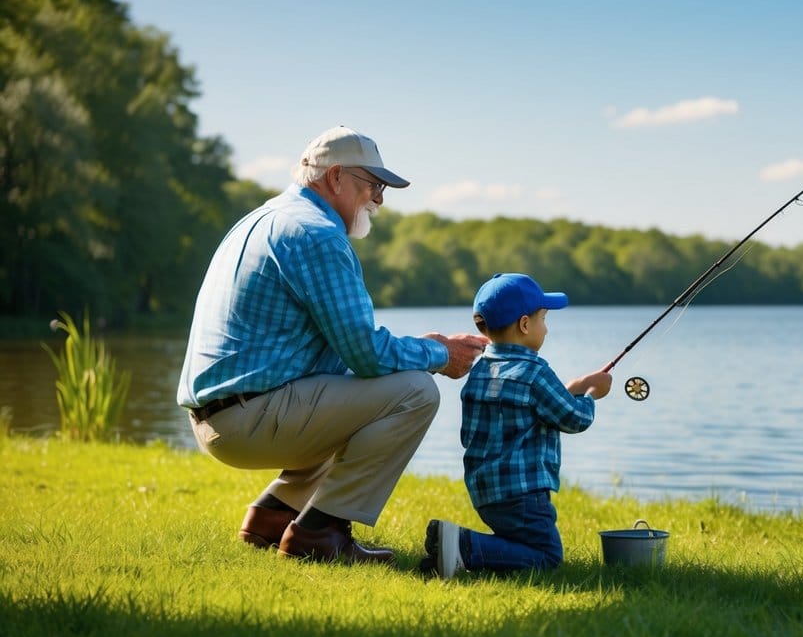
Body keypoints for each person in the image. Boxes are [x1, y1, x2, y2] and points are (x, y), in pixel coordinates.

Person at [178, 125, 487, 565]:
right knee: (415, 391)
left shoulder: (265, 217)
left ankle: (271, 518)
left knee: (372, 386)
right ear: (336, 177)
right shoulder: (317, 235)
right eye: (373, 185)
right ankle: (320, 533)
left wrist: (422, 347)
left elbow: (356, 355)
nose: (379, 199)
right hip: (246, 419)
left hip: (222, 415)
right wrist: (441, 354)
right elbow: (365, 353)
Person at [423, 273, 612, 578]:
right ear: (525, 325)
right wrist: (591, 393)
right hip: (523, 494)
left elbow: (530, 404)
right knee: (546, 556)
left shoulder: (481, 370)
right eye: (544, 319)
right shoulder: (534, 371)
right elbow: (575, 419)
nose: (546, 329)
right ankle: (464, 544)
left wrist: (572, 387)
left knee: (516, 544)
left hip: (485, 491)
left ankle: (450, 551)